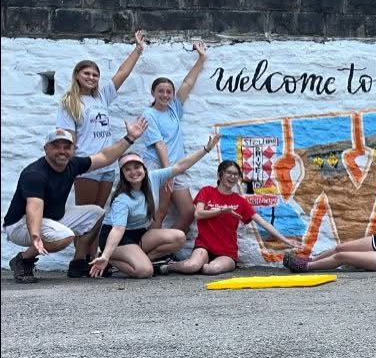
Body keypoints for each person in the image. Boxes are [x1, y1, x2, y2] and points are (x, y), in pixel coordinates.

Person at [4, 118, 148, 283]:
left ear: (73, 149)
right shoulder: (35, 174)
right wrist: (36, 236)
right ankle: (23, 259)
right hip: (21, 224)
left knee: (97, 214)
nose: (62, 151)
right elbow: (34, 208)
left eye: (66, 147)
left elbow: (104, 156)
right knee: (64, 237)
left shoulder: (72, 164)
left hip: (51, 218)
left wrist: (130, 138)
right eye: (56, 146)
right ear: (46, 149)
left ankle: (79, 261)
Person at [87, 134, 219, 279]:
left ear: (144, 168)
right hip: (117, 240)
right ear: (123, 174)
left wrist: (206, 149)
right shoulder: (122, 199)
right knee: (145, 271)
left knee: (179, 237)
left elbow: (180, 166)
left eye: (137, 167)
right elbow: (118, 229)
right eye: (127, 169)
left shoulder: (153, 178)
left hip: (139, 234)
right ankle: (109, 259)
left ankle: (143, 259)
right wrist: (106, 255)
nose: (133, 172)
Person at [56, 30, 148, 207]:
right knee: (86, 215)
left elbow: (122, 73)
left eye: (95, 75)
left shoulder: (102, 97)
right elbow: (68, 139)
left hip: (108, 165)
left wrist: (138, 49)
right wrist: (68, 166)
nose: (91, 77)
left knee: (98, 212)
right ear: (77, 75)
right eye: (87, 73)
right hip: (87, 164)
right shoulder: (70, 102)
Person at [162, 161, 299, 275]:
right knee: (191, 266)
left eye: (236, 174)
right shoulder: (207, 191)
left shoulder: (240, 201)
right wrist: (221, 211)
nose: (232, 177)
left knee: (211, 269)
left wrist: (286, 240)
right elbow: (198, 214)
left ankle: (202, 265)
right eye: (229, 173)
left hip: (227, 252)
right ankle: (168, 266)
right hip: (204, 246)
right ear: (220, 174)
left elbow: (263, 223)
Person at [142, 40, 208, 236]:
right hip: (159, 167)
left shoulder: (173, 109)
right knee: (160, 212)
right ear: (153, 93)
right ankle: (148, 249)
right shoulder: (149, 114)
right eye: (160, 91)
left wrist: (201, 58)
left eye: (168, 91)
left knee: (188, 212)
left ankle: (165, 246)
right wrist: (168, 172)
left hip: (176, 168)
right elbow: (159, 144)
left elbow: (187, 83)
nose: (165, 95)